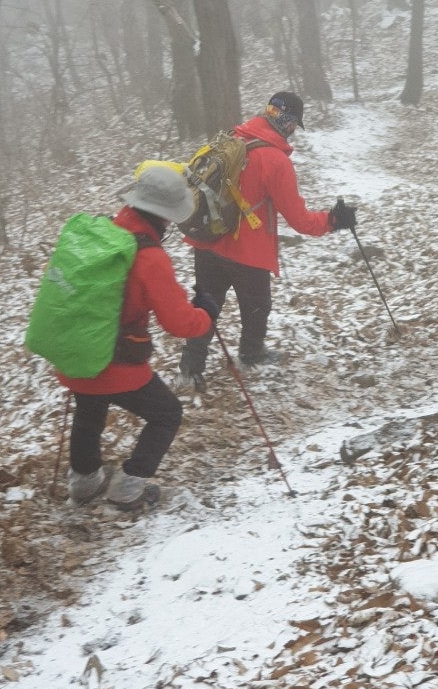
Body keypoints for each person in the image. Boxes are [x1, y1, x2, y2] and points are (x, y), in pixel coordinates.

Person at [58, 165, 220, 511]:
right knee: (167, 413)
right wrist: (205, 314)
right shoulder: (148, 256)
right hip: (115, 362)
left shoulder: (102, 232)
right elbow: (179, 322)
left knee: (89, 410)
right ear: (165, 214)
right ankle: (128, 488)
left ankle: (84, 483)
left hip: (77, 351)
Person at [178, 89, 357, 389]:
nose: (293, 131)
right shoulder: (275, 160)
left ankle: (189, 369)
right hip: (248, 252)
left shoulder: (230, 139)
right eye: (293, 124)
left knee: (205, 305)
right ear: (286, 121)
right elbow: (300, 220)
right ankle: (251, 354)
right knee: (257, 306)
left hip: (208, 240)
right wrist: (333, 220)